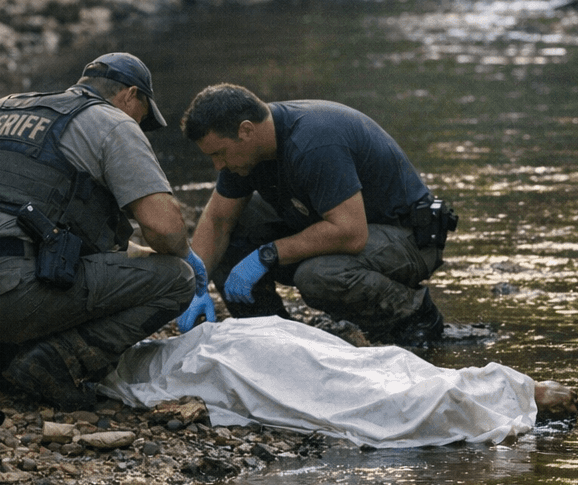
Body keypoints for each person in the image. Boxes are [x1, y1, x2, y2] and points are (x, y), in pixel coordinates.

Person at [0, 53, 207, 410]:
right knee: (176, 278)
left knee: (24, 253)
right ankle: (57, 362)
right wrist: (185, 256)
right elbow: (164, 229)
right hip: (1, 298)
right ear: (131, 95)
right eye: (143, 117)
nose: (140, 125)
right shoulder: (110, 121)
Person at [176, 84, 454, 346]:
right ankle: (268, 334)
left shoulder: (313, 141)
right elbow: (217, 221)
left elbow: (351, 233)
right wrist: (194, 287)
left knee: (317, 276)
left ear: (246, 131)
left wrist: (267, 254)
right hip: (343, 228)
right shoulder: (248, 152)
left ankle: (415, 315)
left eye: (220, 153)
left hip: (408, 240)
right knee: (238, 220)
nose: (217, 165)